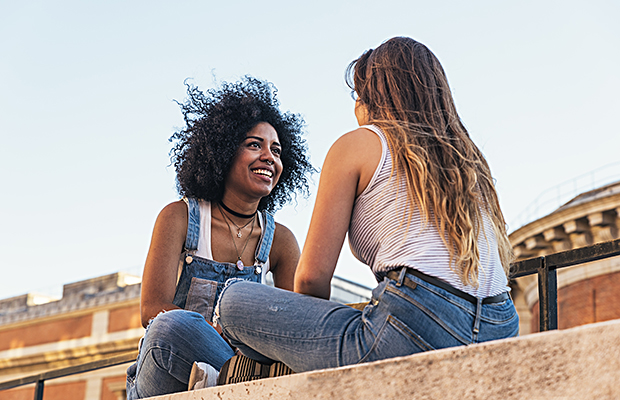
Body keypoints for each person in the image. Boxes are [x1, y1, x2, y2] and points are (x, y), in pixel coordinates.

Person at [215, 37, 519, 373]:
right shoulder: (469, 161)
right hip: (501, 325)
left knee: (234, 300)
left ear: (371, 96)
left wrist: (302, 338)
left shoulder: (360, 143)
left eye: (356, 95)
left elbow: (311, 280)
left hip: (415, 325)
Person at [125, 77, 314, 399]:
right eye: (254, 145)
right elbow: (151, 309)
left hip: (240, 365)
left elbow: (292, 326)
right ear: (222, 152)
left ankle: (225, 382)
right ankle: (233, 381)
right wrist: (217, 339)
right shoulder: (180, 217)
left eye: (277, 150)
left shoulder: (281, 240)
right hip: (168, 368)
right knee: (172, 325)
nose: (269, 157)